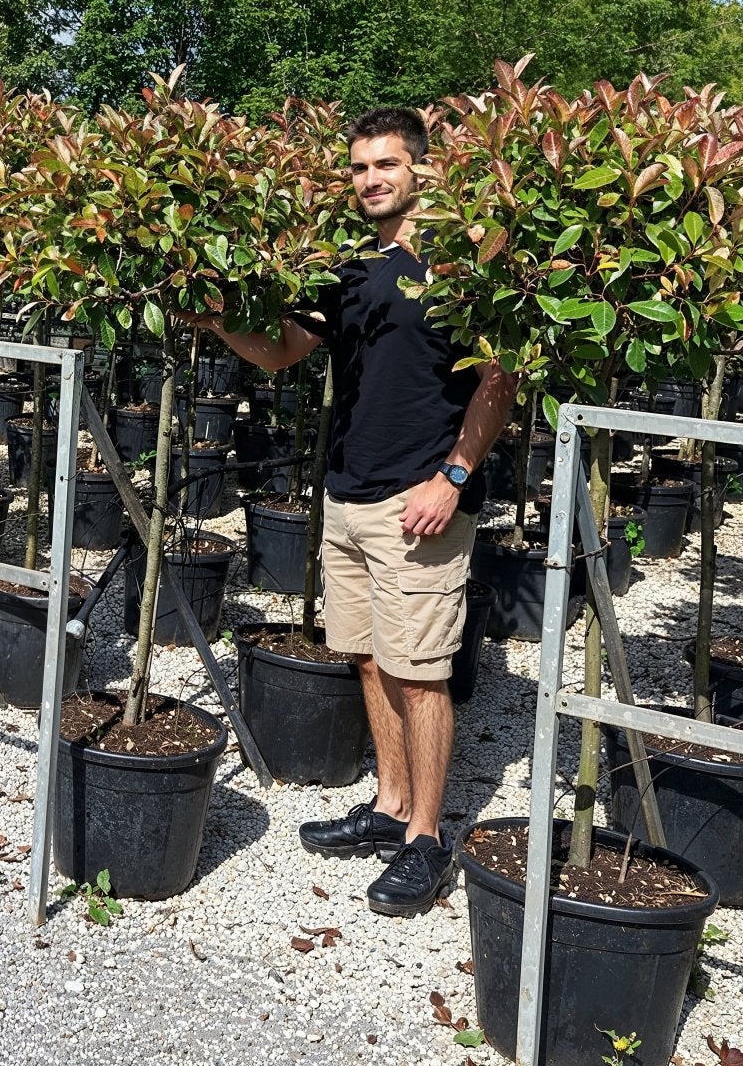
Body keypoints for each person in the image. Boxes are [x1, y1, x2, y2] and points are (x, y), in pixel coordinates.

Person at [181, 106, 514, 916]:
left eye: (385, 165)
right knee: (368, 659)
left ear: (421, 171)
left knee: (423, 674)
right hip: (350, 493)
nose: (370, 179)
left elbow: (498, 379)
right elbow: (286, 350)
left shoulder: (460, 264)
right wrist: (215, 318)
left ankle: (427, 840)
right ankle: (391, 807)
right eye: (360, 167)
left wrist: (455, 476)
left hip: (420, 497)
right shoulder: (350, 268)